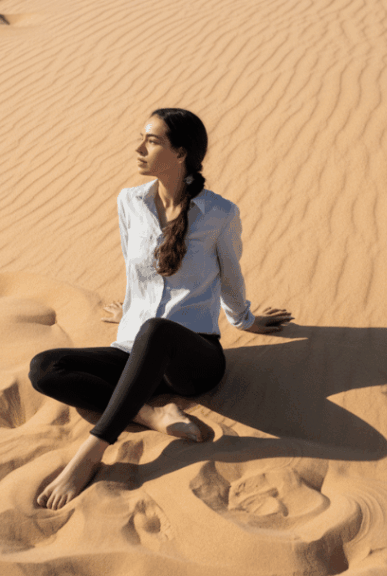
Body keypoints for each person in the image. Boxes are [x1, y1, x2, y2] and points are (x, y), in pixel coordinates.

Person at [28, 108, 293, 510]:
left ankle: (90, 454)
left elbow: (231, 276)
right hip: (135, 350)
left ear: (181, 153)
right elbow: (133, 267)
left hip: (194, 359)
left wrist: (245, 320)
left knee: (156, 329)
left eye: (152, 142)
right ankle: (152, 415)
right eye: (143, 139)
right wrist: (129, 311)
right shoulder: (129, 202)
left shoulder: (219, 213)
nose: (139, 149)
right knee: (45, 367)